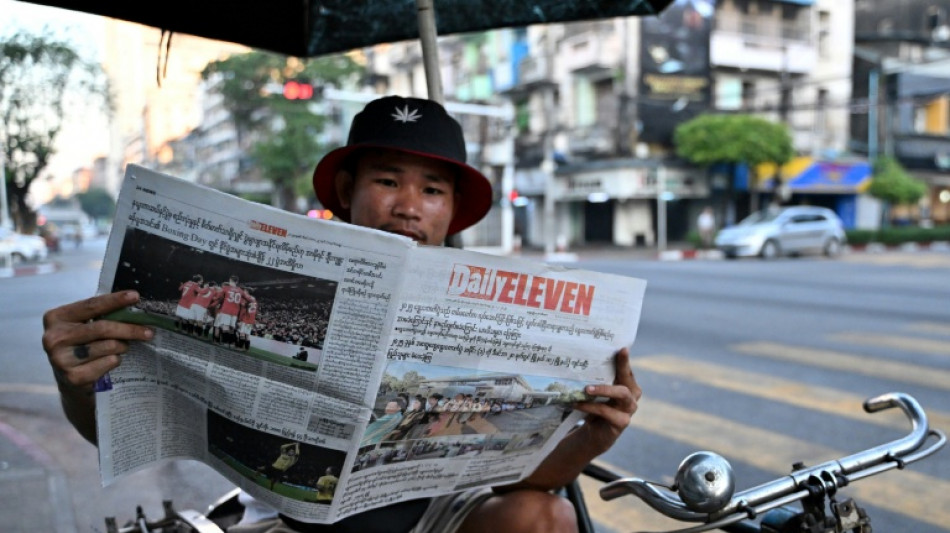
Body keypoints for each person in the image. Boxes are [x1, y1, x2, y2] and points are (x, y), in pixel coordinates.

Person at [40, 95, 642, 533]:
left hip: (435, 517)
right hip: (286, 519)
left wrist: (592, 436)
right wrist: (78, 384)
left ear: (453, 209)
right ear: (349, 189)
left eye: (433, 190)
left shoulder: (495, 315)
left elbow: (522, 484)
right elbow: (118, 433)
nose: (409, 206)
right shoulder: (266, 288)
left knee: (545, 517)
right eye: (387, 181)